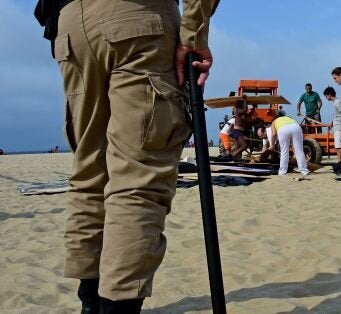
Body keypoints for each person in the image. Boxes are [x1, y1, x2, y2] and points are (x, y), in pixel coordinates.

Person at [49, 0, 220, 312]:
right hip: (139, 21)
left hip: (71, 25)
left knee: (89, 174)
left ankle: (91, 304)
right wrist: (193, 35)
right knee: (138, 179)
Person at [323, 86, 341, 161]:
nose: (326, 97)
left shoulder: (338, 102)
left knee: (340, 146)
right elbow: (337, 116)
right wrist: (331, 123)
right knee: (337, 147)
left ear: (329, 94)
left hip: (339, 127)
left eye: (326, 96)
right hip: (336, 127)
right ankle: (340, 163)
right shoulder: (335, 103)